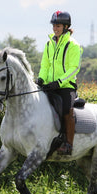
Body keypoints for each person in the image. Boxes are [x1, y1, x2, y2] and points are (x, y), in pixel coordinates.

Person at [36, 11, 83, 155]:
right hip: (50, 85)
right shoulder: (49, 44)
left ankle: (68, 145)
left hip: (66, 86)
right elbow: (45, 65)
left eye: (58, 26)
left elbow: (74, 68)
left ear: (66, 26)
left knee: (66, 111)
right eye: (54, 26)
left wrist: (59, 82)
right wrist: (41, 79)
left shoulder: (73, 45)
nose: (55, 28)